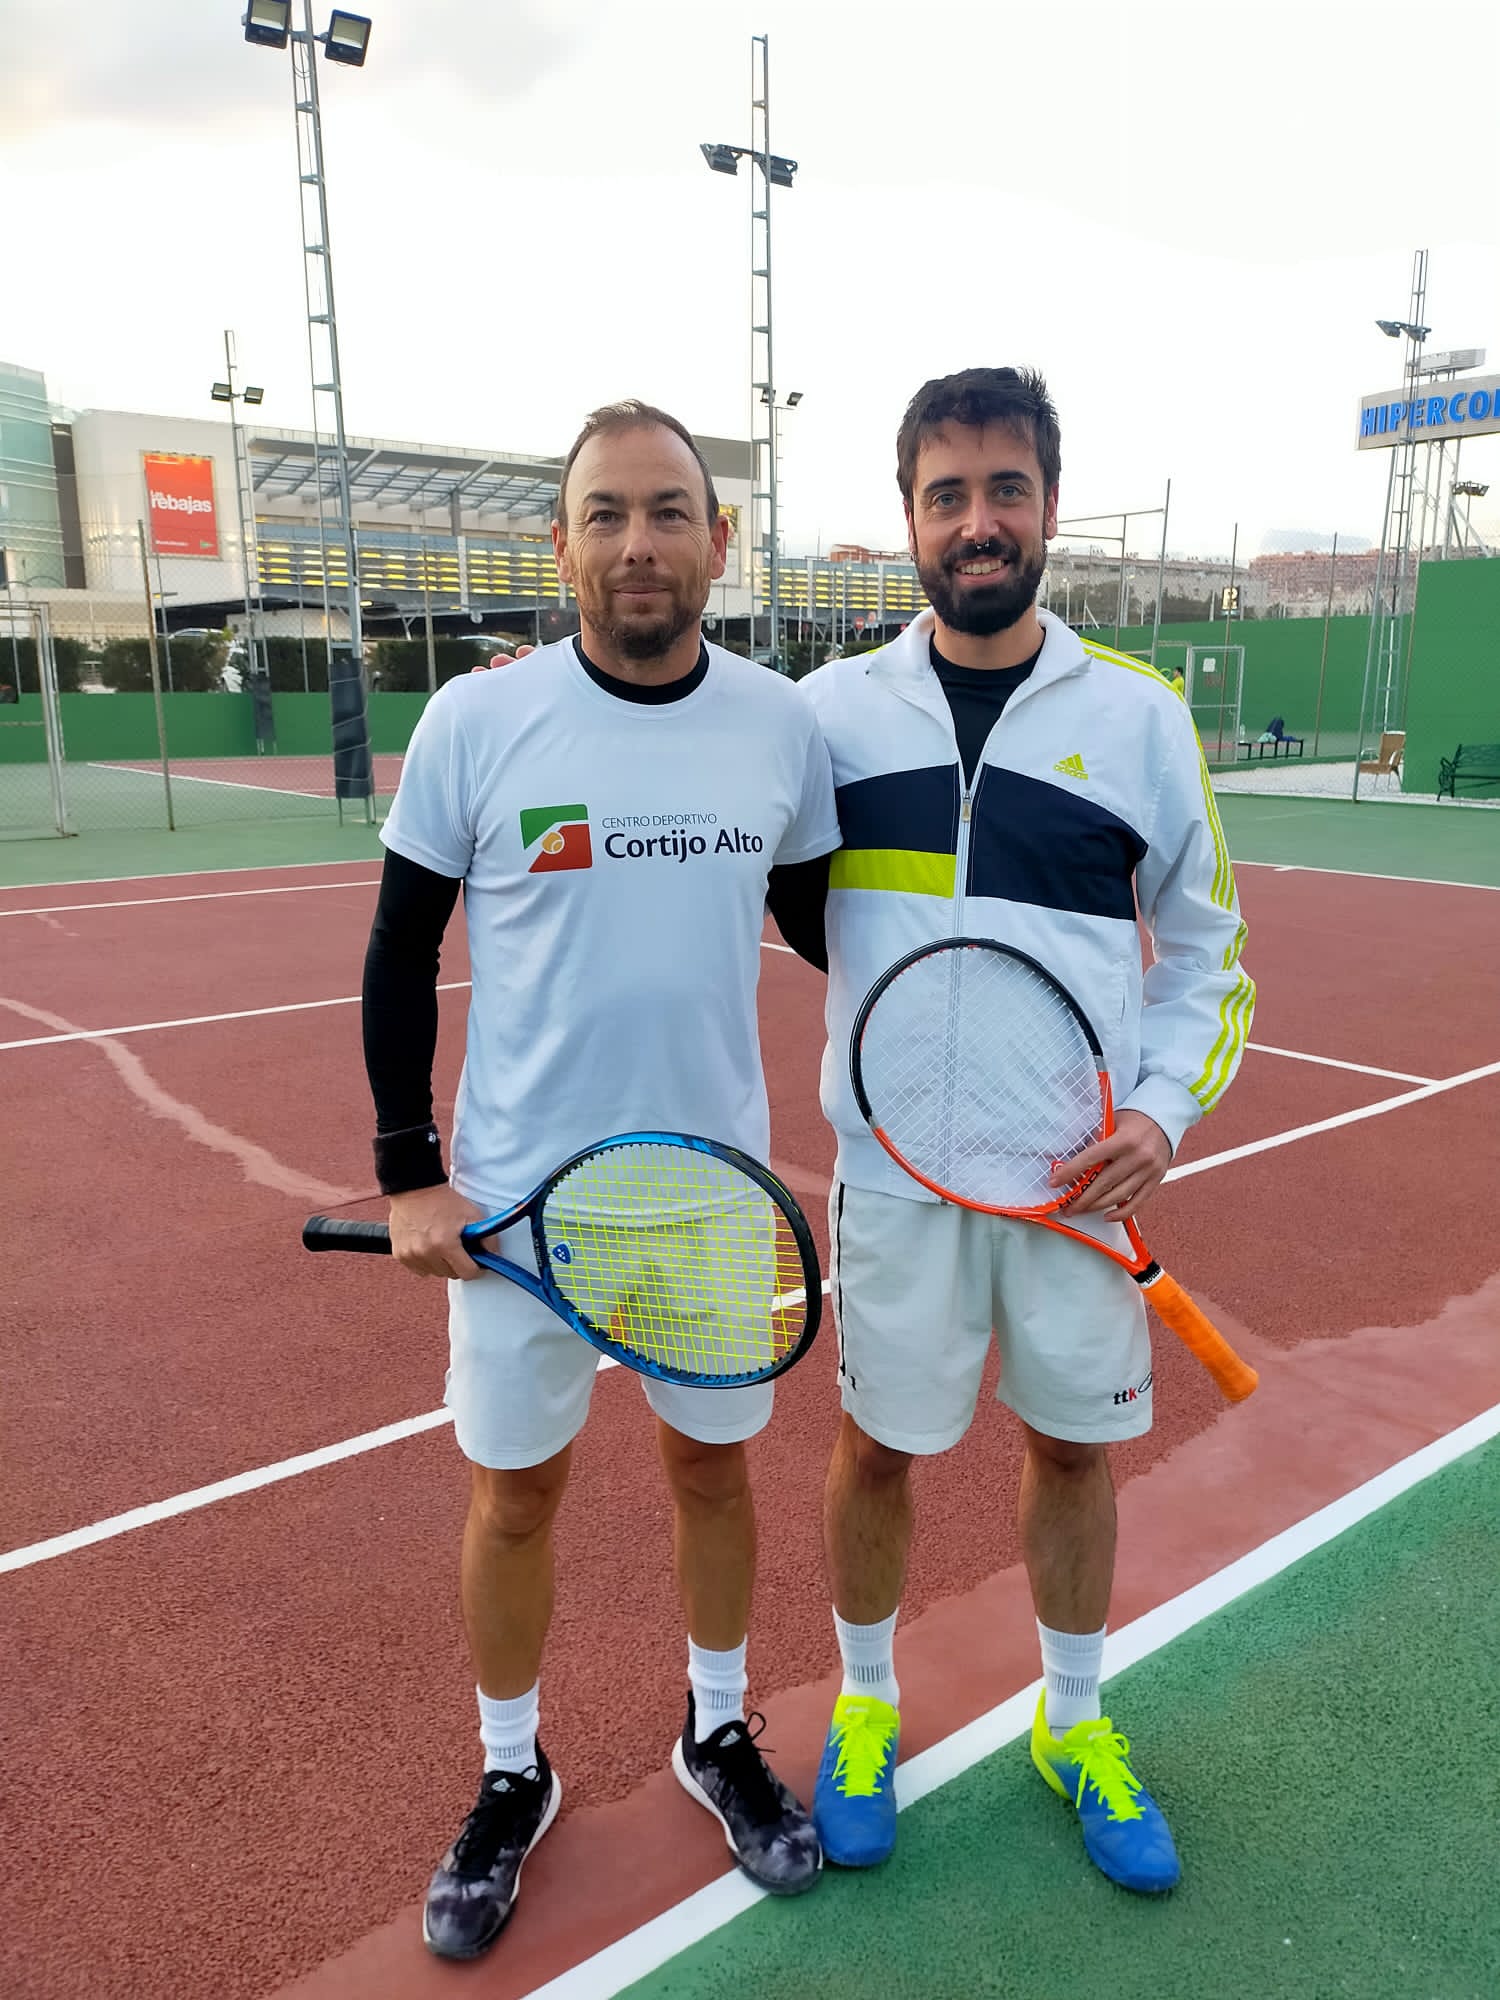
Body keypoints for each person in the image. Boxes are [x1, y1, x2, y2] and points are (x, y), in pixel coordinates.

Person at [364, 400, 840, 1960]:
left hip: (711, 1199)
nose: (640, 543)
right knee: (516, 1499)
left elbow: (835, 927)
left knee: (714, 1474)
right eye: (607, 514)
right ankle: (515, 1772)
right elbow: (396, 950)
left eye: (667, 512)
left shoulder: (781, 726)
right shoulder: (477, 723)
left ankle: (716, 1734)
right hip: (516, 1216)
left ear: (716, 539)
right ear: (560, 543)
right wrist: (409, 1175)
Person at [798, 367, 1254, 1893]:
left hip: (1072, 1187)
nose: (977, 521)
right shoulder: (830, 717)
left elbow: (1208, 955)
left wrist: (1161, 1112)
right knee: (876, 1452)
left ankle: (1074, 1721)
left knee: (1072, 1455)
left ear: (1050, 507)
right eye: (948, 494)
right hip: (898, 1183)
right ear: (910, 518)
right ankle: (866, 1709)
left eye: (1005, 489)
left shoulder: (1140, 719)